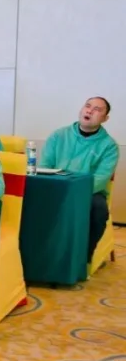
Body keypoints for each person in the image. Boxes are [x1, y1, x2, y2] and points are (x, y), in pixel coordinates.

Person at [40, 97, 119, 260]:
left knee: (99, 209)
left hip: (89, 192)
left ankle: (83, 257)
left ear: (105, 118)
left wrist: (74, 192)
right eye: (88, 106)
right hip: (55, 186)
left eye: (97, 109)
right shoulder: (59, 135)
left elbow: (100, 179)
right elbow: (44, 165)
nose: (90, 110)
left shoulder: (109, 146)